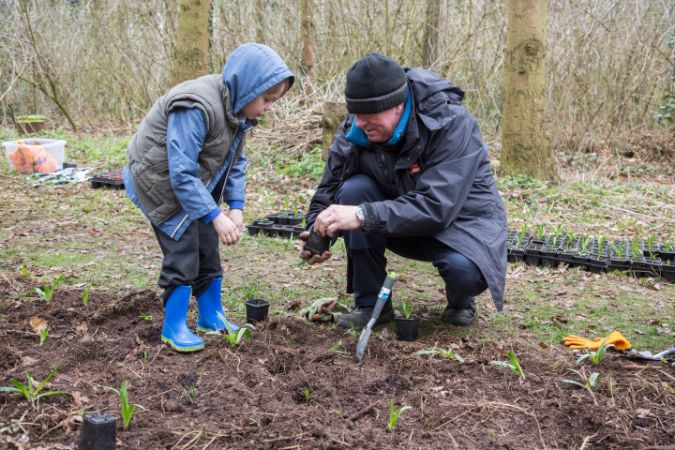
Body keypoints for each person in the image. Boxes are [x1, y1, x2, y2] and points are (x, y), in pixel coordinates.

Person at [299, 52, 506, 330]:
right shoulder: (357, 126)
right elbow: (331, 185)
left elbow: (437, 207)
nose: (360, 123)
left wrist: (362, 215)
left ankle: (461, 299)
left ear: (397, 105)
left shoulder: (451, 124)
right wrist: (319, 231)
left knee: (465, 273)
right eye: (356, 114)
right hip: (395, 221)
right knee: (354, 189)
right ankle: (372, 305)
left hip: (458, 226)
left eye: (369, 116)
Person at [123, 43, 294, 352]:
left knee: (207, 246)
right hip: (159, 182)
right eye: (266, 99)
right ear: (248, 87)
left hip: (191, 181)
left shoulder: (237, 110)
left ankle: (210, 316)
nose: (268, 107)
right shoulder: (196, 106)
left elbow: (235, 161)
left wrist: (236, 207)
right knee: (184, 248)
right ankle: (173, 326)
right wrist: (215, 216)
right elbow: (181, 173)